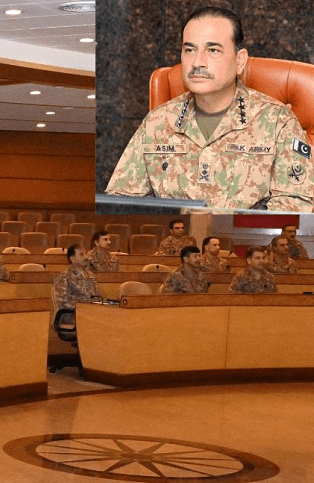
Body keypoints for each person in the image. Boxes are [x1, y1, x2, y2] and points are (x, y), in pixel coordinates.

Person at [105, 7, 313, 211]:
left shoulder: (277, 120)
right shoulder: (158, 121)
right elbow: (122, 200)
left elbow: (296, 203)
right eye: (189, 50)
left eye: (212, 50)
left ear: (239, 61)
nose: (197, 62)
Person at [52, 245, 102, 324]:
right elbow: (63, 302)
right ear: (72, 259)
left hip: (91, 314)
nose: (86, 257)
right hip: (71, 316)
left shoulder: (91, 275)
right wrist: (86, 307)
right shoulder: (64, 277)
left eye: (86, 253)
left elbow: (97, 296)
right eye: (81, 254)